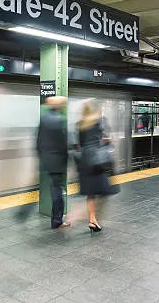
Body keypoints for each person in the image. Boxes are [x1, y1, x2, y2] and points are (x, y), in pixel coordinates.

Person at [76, 100, 115, 233]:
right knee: (105, 191)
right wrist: (108, 140)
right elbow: (103, 139)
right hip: (97, 161)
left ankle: (92, 219)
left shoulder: (80, 124)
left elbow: (80, 143)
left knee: (90, 193)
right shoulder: (99, 121)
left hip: (85, 160)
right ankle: (92, 218)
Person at [36, 96, 71, 229]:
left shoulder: (44, 119)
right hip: (58, 162)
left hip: (47, 161)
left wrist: (42, 157)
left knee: (54, 189)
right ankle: (57, 221)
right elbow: (64, 144)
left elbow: (38, 141)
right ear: (60, 107)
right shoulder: (61, 120)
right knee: (58, 192)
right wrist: (66, 160)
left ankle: (56, 220)